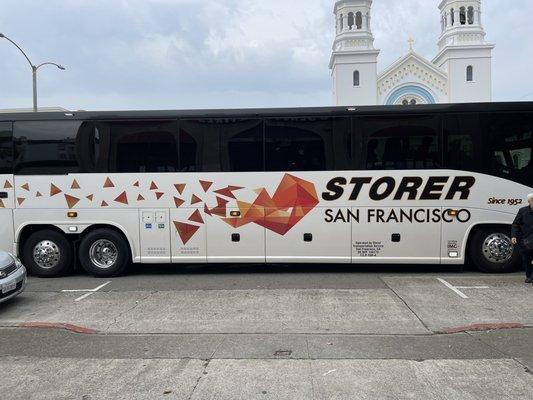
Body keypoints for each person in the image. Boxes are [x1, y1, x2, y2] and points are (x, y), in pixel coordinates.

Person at [511, 193, 533, 284]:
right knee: (526, 259)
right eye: (532, 199)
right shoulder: (522, 211)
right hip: (525, 240)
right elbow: (515, 224)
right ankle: (529, 276)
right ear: (529, 201)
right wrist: (513, 236)